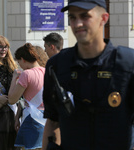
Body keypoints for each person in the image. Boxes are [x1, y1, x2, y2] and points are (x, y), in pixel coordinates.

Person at [42, 0, 134, 150]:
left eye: (85, 16)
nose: (77, 24)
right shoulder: (57, 65)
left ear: (104, 18)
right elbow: (53, 121)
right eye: (72, 17)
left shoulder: (127, 64)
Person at [8, 43, 47, 150]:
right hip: (47, 119)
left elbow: (12, 99)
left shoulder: (26, 74)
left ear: (23, 59)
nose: (19, 65)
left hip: (32, 118)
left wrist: (14, 78)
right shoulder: (47, 71)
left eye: (19, 62)